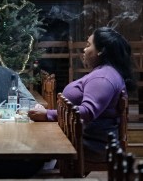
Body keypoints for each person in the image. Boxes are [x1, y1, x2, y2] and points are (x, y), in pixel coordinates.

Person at [28, 27, 136, 163]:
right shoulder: (104, 72)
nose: (84, 50)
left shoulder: (103, 77)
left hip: (89, 144)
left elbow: (87, 112)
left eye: (88, 45)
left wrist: (48, 114)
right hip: (82, 136)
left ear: (101, 51)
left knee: (28, 144)